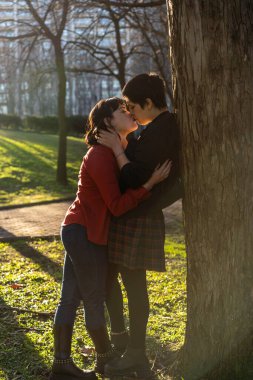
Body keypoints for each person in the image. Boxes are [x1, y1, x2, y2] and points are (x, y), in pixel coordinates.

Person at [50, 97, 171, 380]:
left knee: (69, 298)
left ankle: (61, 363)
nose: (129, 112)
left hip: (83, 231)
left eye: (130, 108)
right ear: (107, 121)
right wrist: (149, 184)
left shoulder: (118, 150)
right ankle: (104, 361)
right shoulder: (101, 155)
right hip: (84, 232)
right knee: (92, 299)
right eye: (121, 110)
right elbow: (116, 205)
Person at [98, 73, 182, 378]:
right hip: (131, 215)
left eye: (133, 106)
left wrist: (119, 151)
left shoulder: (163, 129)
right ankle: (126, 346)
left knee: (134, 289)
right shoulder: (154, 128)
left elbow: (133, 176)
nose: (130, 111)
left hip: (139, 218)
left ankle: (135, 354)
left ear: (148, 103)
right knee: (116, 284)